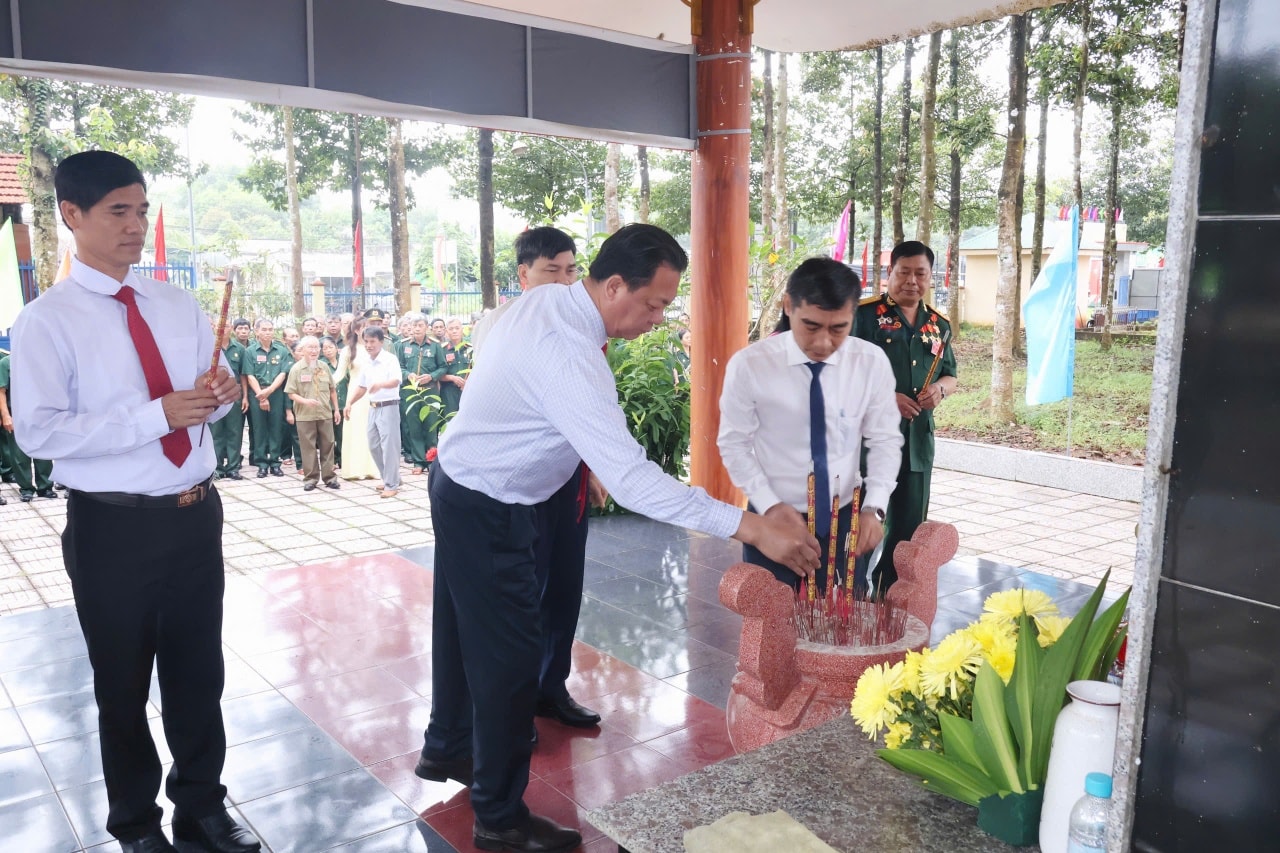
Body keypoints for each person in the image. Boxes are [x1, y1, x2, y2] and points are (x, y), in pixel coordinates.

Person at [415, 223, 819, 852]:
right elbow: (633, 480)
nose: (659, 319)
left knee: (461, 632)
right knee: (508, 660)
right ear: (612, 287)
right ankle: (498, 817)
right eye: (654, 304)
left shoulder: (553, 301)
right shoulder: (568, 352)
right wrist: (751, 526)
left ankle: (451, 748)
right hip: (489, 505)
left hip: (466, 483)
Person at [9, 150, 260, 853]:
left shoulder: (174, 304)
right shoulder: (47, 321)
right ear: (71, 214)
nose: (135, 226)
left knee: (198, 673)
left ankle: (202, 806)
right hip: (113, 525)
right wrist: (157, 415)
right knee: (121, 685)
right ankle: (136, 823)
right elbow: (38, 432)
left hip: (194, 513)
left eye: (142, 210)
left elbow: (208, 391)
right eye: (118, 210)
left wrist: (219, 395)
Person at [470, 226, 608, 735]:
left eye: (571, 271)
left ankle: (551, 688)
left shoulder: (584, 325)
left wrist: (592, 466)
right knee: (521, 594)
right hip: (519, 482)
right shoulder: (501, 323)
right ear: (524, 275)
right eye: (553, 271)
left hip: (567, 478)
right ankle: (515, 701)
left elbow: (587, 405)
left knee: (564, 586)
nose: (564, 281)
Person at [718, 257, 902, 593]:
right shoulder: (750, 365)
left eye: (838, 329)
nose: (823, 343)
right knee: (772, 611)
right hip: (773, 515)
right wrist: (770, 505)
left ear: (853, 316)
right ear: (788, 306)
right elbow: (734, 444)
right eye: (811, 326)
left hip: (845, 517)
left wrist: (874, 508)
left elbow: (885, 440)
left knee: (844, 613)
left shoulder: (870, 362)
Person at [853, 240, 958, 594]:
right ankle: (850, 598)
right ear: (890, 273)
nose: (912, 280)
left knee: (909, 529)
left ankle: (888, 598)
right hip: (869, 444)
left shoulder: (939, 325)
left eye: (920, 274)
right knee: (862, 524)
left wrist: (939, 390)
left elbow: (951, 375)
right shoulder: (864, 316)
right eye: (904, 272)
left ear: (930, 277)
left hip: (916, 443)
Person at [343, 326, 403, 497]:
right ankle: (390, 477)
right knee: (374, 445)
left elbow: (396, 381)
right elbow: (362, 386)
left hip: (389, 406)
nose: (369, 345)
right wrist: (349, 403)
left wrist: (380, 385)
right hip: (373, 407)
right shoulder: (366, 362)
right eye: (366, 341)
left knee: (390, 447)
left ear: (381, 342)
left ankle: (391, 485)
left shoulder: (390, 359)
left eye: (372, 341)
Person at [284, 336, 341, 491]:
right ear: (303, 350)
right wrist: (305, 401)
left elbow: (332, 390)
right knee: (307, 447)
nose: (314, 350)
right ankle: (311, 479)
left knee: (328, 445)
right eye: (310, 347)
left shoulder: (324, 367)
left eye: (316, 347)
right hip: (305, 415)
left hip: (325, 413)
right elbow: (291, 393)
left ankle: (330, 477)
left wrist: (336, 409)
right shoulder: (296, 369)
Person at [0, 351, 57, 501]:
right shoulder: (6, 363)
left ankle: (45, 487)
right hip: (16, 414)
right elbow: (1, 391)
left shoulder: (40, 360)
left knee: (43, 452)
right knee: (19, 455)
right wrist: (6, 416)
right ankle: (26, 488)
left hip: (39, 413)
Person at [399, 314, 447, 474]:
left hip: (430, 391)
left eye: (420, 325)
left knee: (431, 427)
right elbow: (399, 367)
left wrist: (431, 376)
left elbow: (443, 367)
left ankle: (431, 461)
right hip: (410, 392)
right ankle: (418, 462)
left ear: (426, 327)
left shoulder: (435, 346)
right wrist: (408, 375)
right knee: (414, 428)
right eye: (414, 325)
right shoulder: (403, 345)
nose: (417, 328)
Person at [244, 319, 292, 478]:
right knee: (259, 429)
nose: (267, 332)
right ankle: (262, 463)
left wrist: (269, 391)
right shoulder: (250, 351)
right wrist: (261, 395)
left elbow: (283, 374)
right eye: (264, 329)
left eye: (270, 329)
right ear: (257, 331)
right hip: (257, 393)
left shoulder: (282, 351)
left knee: (276, 428)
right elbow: (249, 375)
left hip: (276, 393)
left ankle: (275, 463)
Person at [334, 320, 379, 481]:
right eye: (363, 328)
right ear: (356, 330)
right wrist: (322, 384)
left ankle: (373, 468)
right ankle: (355, 469)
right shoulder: (348, 350)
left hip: (374, 392)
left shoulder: (375, 349)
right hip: (355, 394)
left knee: (373, 430)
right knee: (356, 430)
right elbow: (339, 374)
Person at [210, 318, 249, 480]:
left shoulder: (239, 349)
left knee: (235, 432)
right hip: (215, 397)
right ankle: (217, 468)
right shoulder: (209, 347)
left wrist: (245, 397)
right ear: (214, 327)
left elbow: (243, 374)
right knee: (216, 432)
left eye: (226, 325)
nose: (222, 328)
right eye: (219, 325)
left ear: (231, 328)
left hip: (235, 396)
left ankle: (233, 467)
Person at [439, 316, 471, 423]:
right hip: (449, 391)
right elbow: (437, 373)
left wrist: (468, 382)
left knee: (468, 420)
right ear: (446, 332)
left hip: (468, 390)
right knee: (450, 421)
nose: (454, 331)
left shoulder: (470, 349)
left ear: (462, 329)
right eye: (451, 329)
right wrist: (452, 378)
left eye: (457, 328)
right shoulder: (442, 350)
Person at [320, 335, 345, 467]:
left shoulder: (344, 362)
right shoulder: (321, 365)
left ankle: (342, 459)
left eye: (330, 347)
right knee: (329, 436)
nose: (328, 350)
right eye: (325, 348)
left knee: (342, 434)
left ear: (336, 348)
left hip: (343, 403)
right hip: (327, 405)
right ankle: (332, 460)